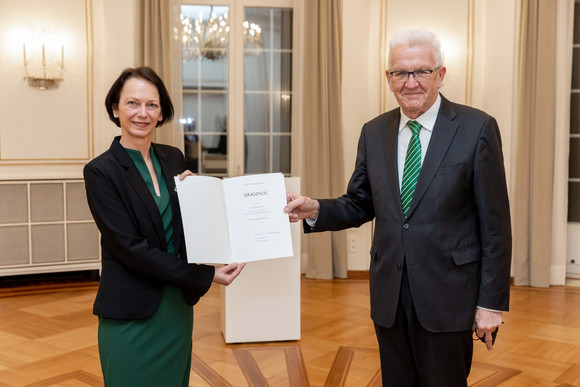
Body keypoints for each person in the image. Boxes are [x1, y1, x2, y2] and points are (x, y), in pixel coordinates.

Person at [285, 29, 511, 386]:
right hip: (390, 295)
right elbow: (359, 204)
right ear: (387, 78)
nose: (411, 82)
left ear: (440, 74)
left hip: (449, 295)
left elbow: (496, 226)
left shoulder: (477, 128)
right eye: (400, 73)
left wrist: (490, 304)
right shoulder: (374, 132)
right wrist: (315, 209)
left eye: (421, 71)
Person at [84, 66, 245, 386]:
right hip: (131, 310)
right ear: (115, 109)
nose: (142, 113)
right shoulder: (101, 171)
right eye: (132, 103)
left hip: (176, 307)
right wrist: (207, 275)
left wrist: (200, 194)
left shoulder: (173, 158)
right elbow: (129, 249)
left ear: (161, 113)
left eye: (152, 105)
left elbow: (189, 228)